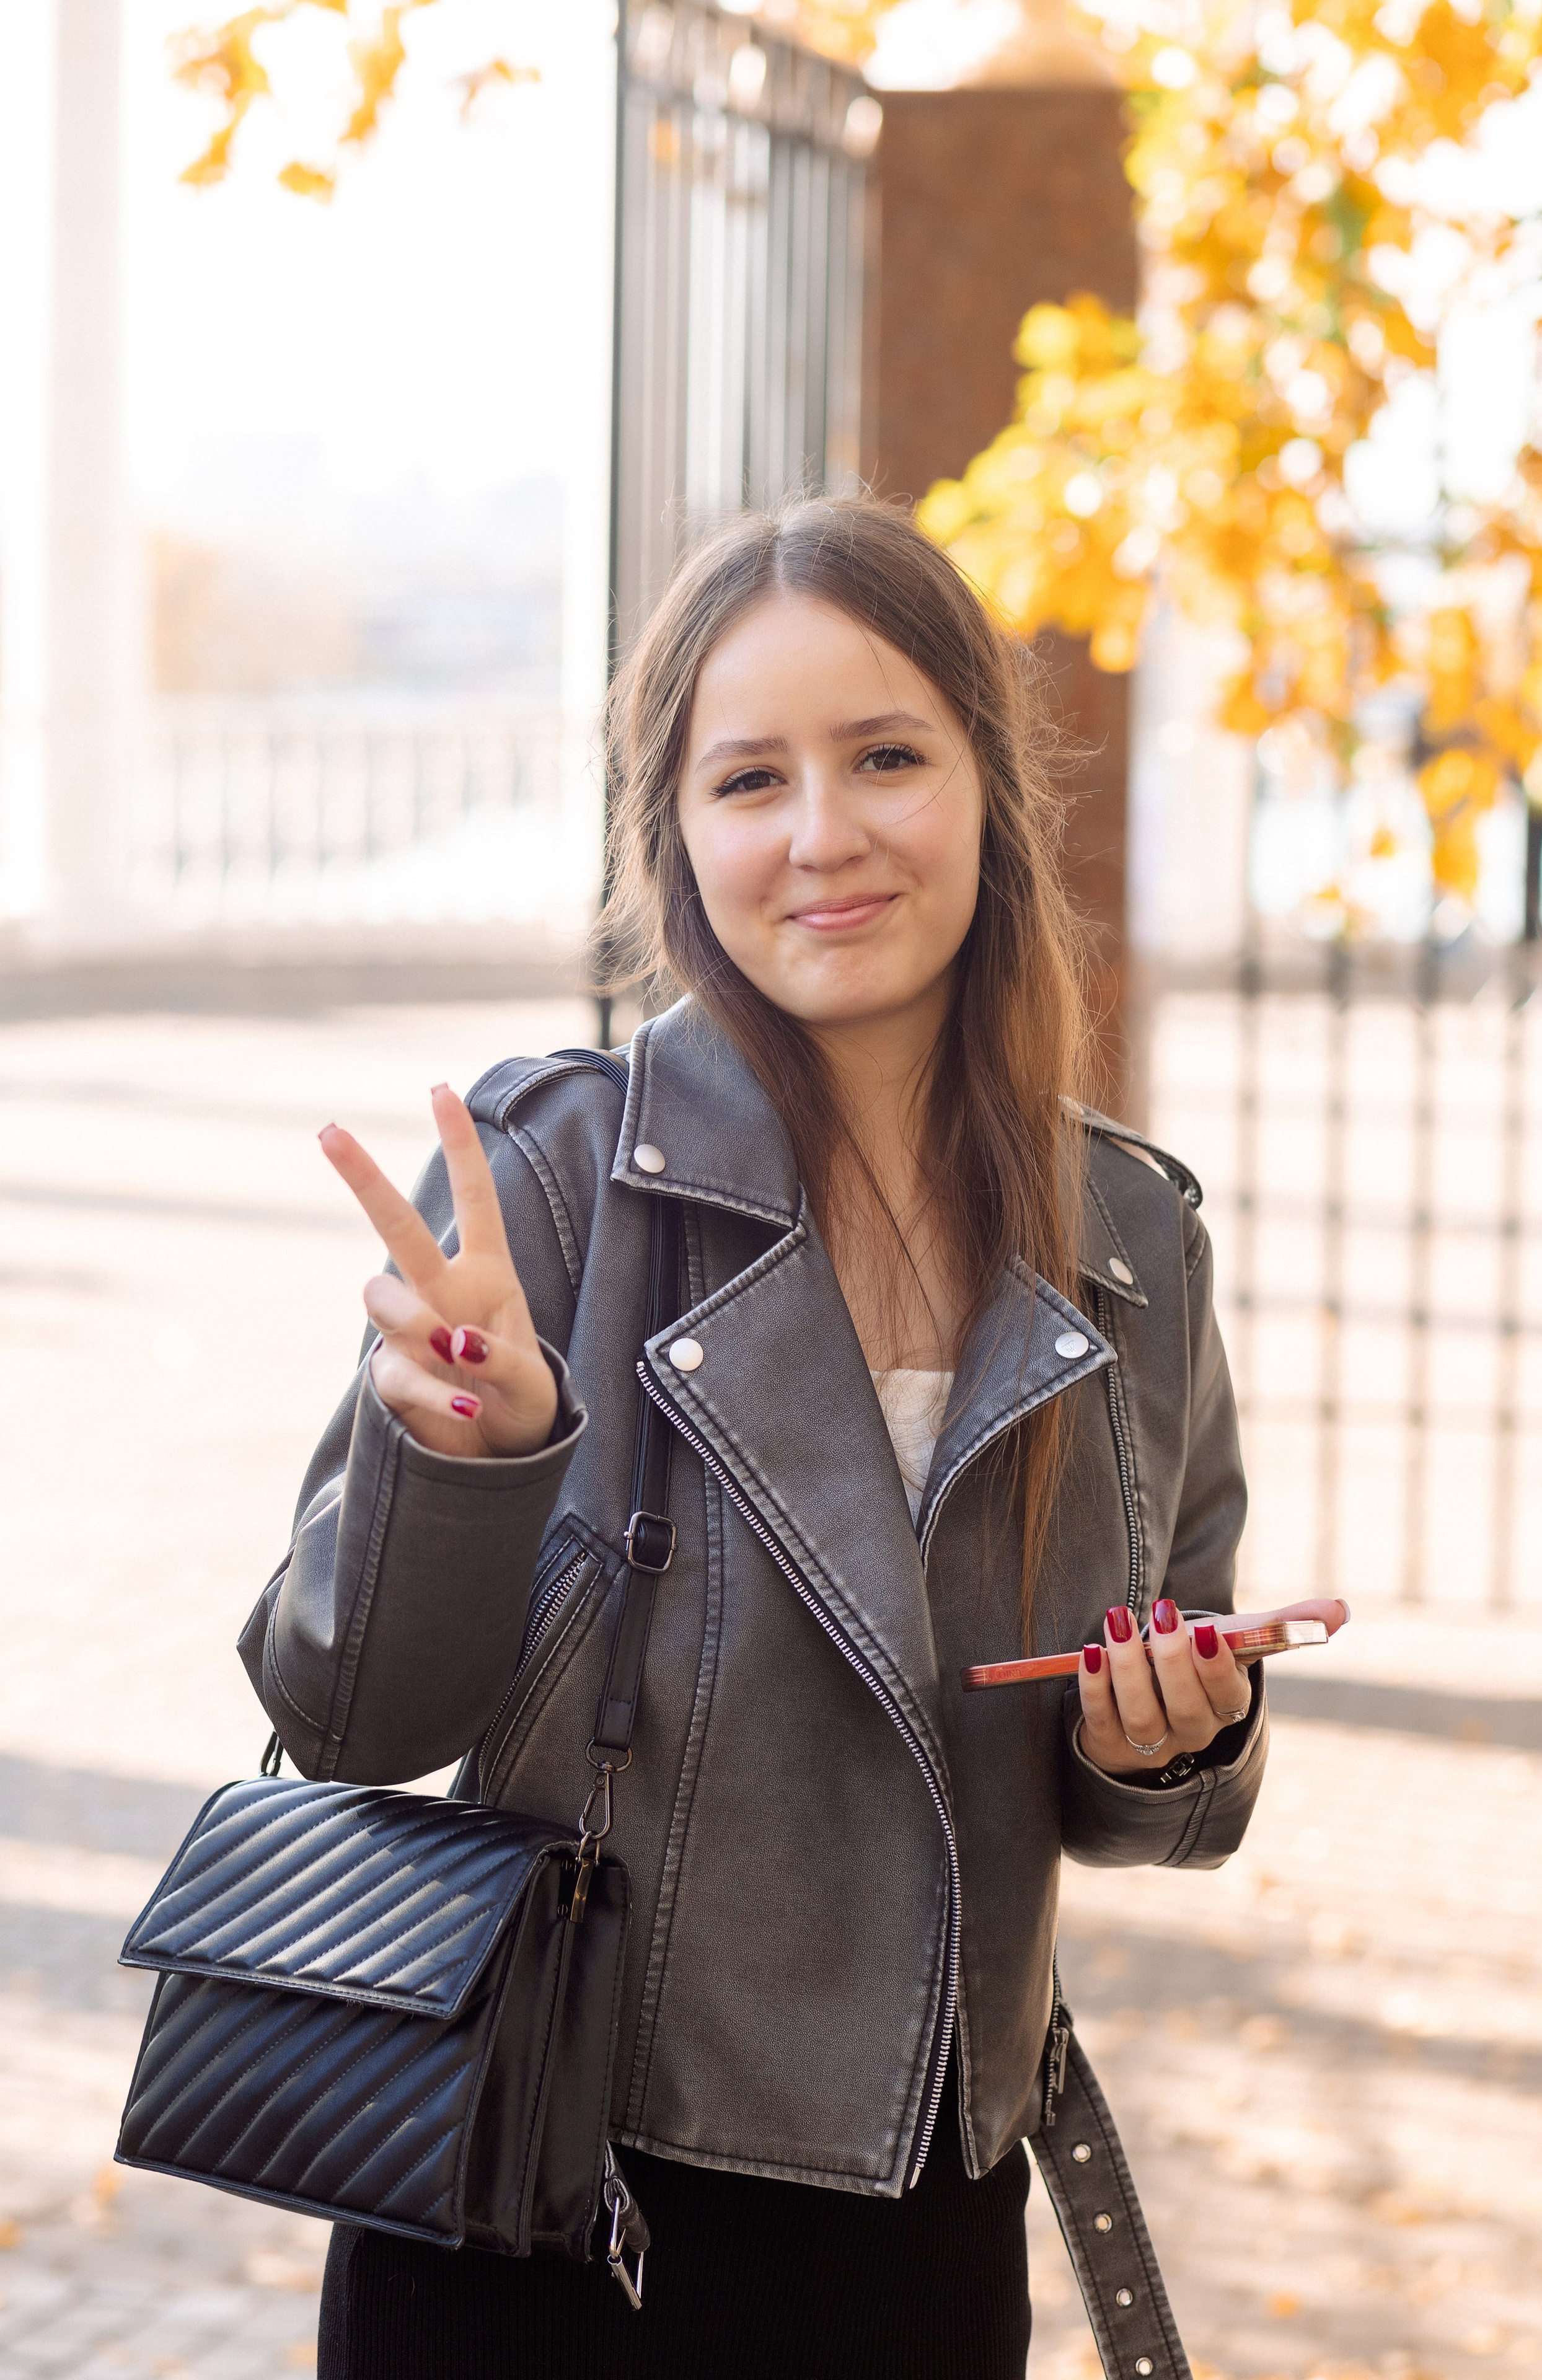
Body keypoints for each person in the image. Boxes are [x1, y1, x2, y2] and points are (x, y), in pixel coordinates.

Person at [243, 496, 1326, 2380]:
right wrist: (462, 1457)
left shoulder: (1129, 1240)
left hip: (925, 2216)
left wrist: (1180, 1735)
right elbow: (350, 1723)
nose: (822, 835)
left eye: (886, 756)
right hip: (547, 2201)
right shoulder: (550, 1177)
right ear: (676, 835)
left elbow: (1151, 1788)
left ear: (986, 782)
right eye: (749, 779)